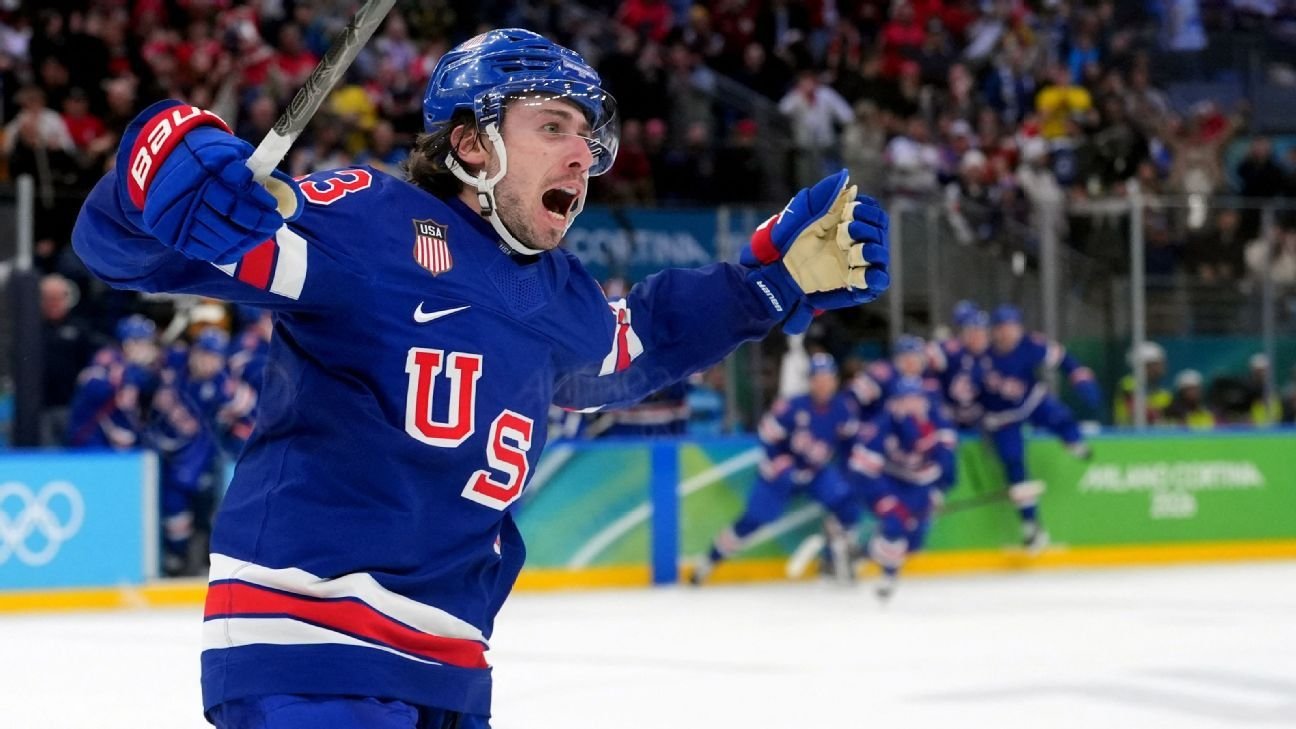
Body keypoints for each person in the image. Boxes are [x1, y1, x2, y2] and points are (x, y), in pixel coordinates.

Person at [71, 29, 890, 729]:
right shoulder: (370, 221)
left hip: (450, 668)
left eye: (588, 137)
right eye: (553, 125)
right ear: (471, 144)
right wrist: (158, 169)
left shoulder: (555, 292)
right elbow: (137, 253)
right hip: (311, 651)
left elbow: (638, 343)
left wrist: (766, 284)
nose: (583, 153)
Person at [691, 354, 862, 585]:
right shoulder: (792, 407)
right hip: (780, 473)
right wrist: (779, 462)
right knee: (755, 518)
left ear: (835, 380)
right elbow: (768, 436)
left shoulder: (843, 409)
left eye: (827, 378)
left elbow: (849, 445)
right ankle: (709, 561)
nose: (823, 384)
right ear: (810, 381)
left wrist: (847, 474)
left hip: (814, 472)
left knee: (847, 502)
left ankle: (835, 559)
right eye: (818, 378)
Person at [979, 305, 1100, 553]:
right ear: (994, 331)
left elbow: (1064, 359)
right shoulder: (982, 355)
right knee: (1014, 462)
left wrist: (1079, 377)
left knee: (1058, 415)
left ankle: (1072, 441)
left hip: (1030, 401)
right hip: (1002, 417)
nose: (1008, 333)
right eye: (1002, 328)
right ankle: (1031, 524)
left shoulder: (1030, 344)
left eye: (1012, 327)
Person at [845, 376, 956, 601]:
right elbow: (860, 467)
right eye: (906, 399)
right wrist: (882, 497)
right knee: (895, 524)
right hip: (890, 482)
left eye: (917, 399)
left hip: (922, 485)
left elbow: (946, 463)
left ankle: (864, 552)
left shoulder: (938, 422)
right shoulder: (882, 426)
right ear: (895, 403)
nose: (912, 404)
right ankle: (888, 576)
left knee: (914, 542)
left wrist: (938, 492)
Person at [1114, 341, 1172, 426]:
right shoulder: (1128, 384)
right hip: (1128, 433)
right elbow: (1137, 411)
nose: (1162, 367)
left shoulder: (1164, 394)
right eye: (1157, 364)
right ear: (1143, 366)